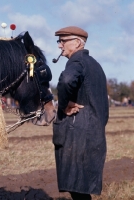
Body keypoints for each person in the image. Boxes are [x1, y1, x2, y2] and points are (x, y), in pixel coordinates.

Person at [52, 26, 109, 200]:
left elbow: (66, 80)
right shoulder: (95, 64)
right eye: (58, 41)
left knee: (77, 188)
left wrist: (64, 105)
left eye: (63, 41)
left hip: (78, 133)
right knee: (81, 189)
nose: (59, 46)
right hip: (93, 131)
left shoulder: (76, 62)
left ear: (77, 43)